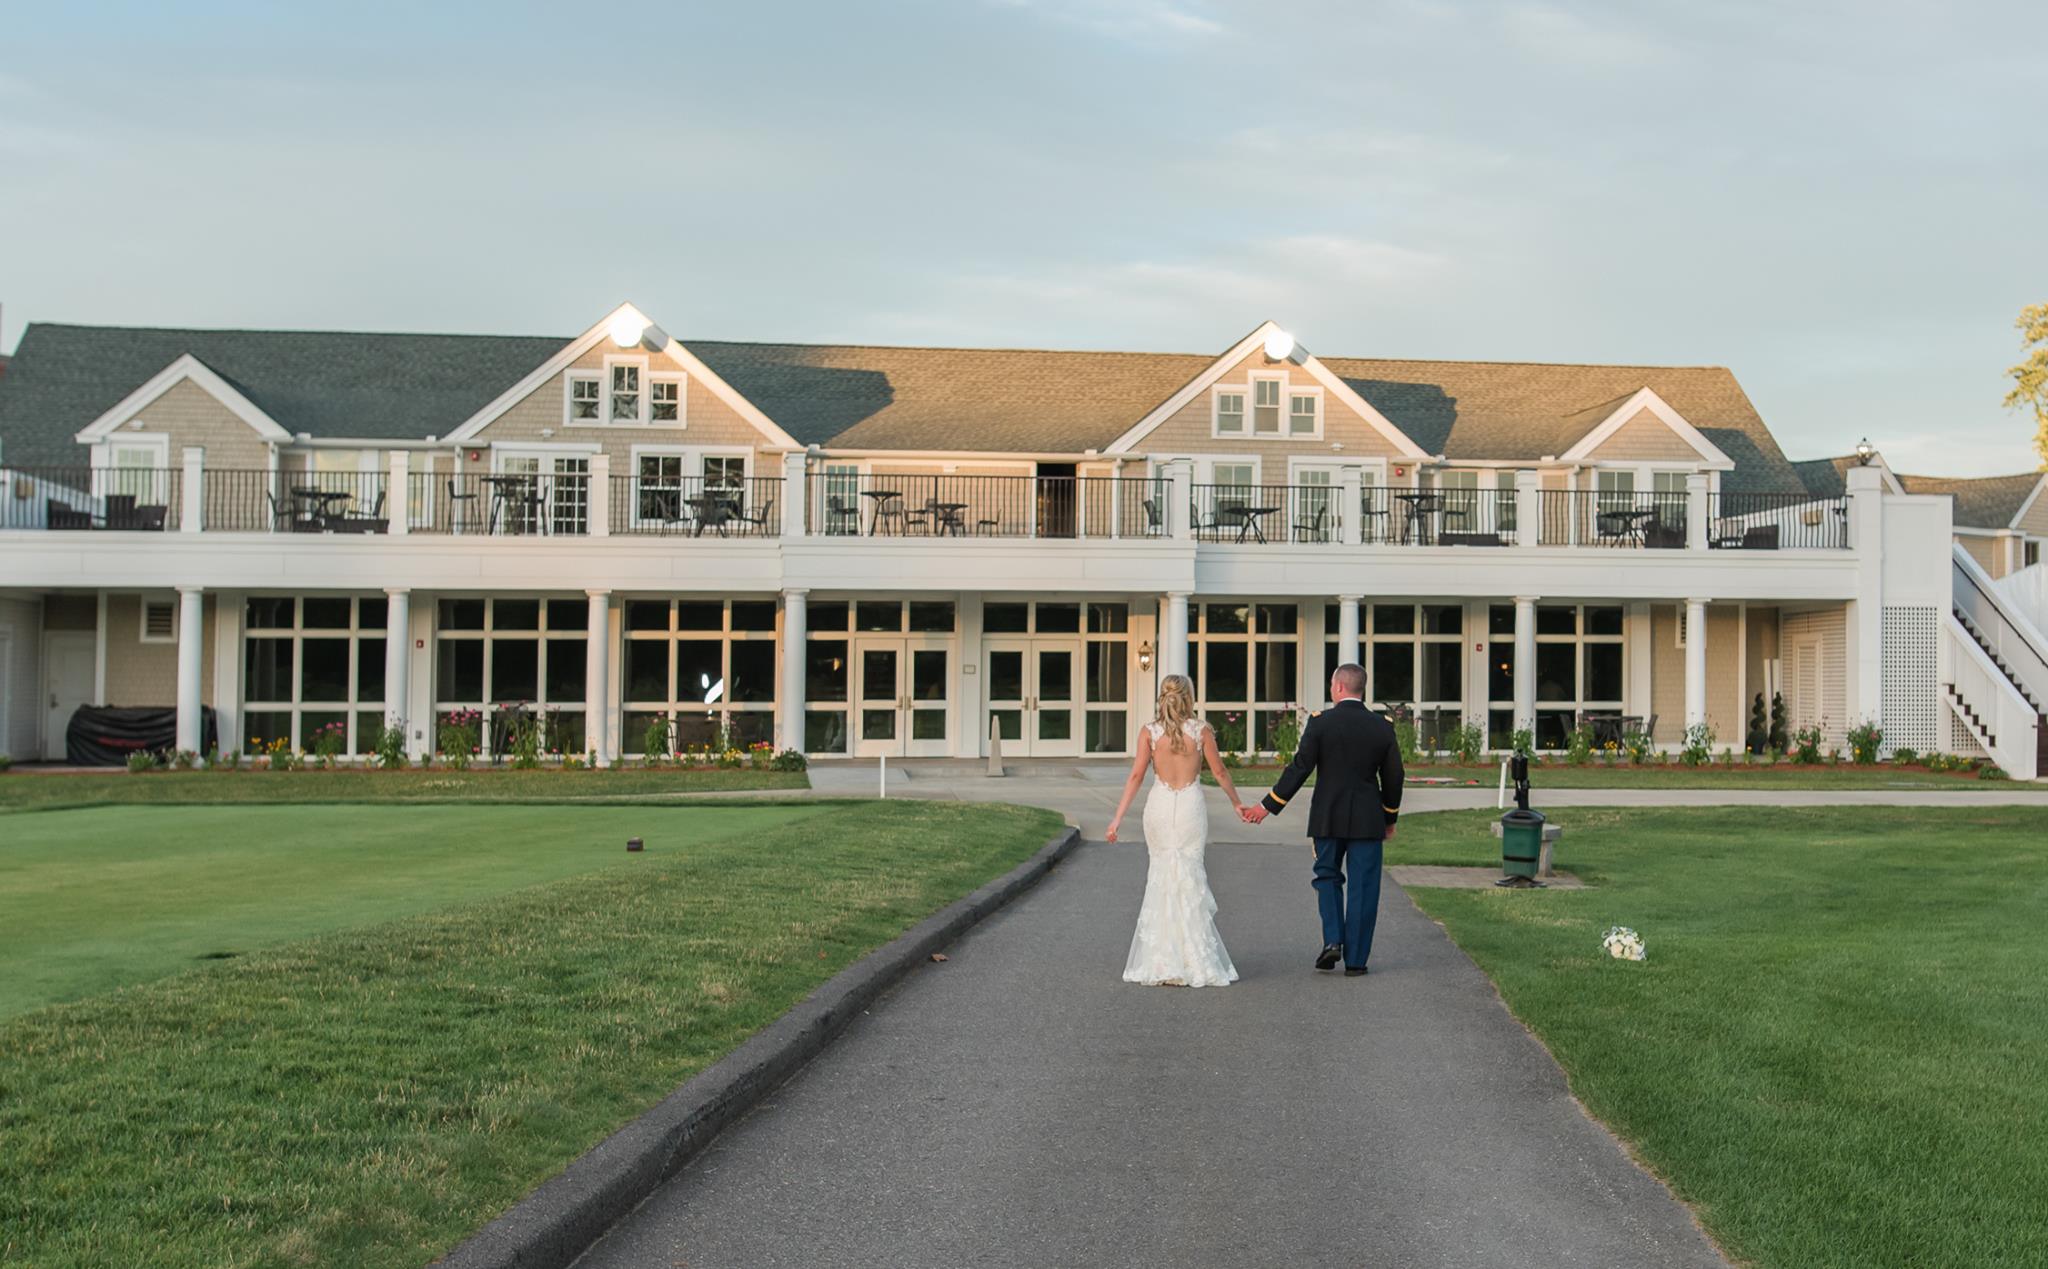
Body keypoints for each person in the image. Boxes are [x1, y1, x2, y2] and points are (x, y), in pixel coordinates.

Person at [1242, 663, 1404, 977]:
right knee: (1364, 887)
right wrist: (1389, 817)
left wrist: (1267, 806)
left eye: (1332, 684)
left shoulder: (1321, 723)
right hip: (1368, 819)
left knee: (1327, 877)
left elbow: (1299, 768)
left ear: (1339, 686)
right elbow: (1394, 776)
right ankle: (1356, 961)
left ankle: (1332, 940)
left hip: (1327, 817)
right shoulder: (1382, 726)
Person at [1105, 674, 1246, 988]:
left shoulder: (1150, 732)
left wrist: (1117, 819)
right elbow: (1220, 772)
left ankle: (1160, 958)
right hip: (1189, 809)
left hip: (1159, 805)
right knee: (1189, 875)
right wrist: (1236, 803)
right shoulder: (1201, 731)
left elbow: (1136, 776)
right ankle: (1193, 958)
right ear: (1189, 697)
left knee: (1161, 876)